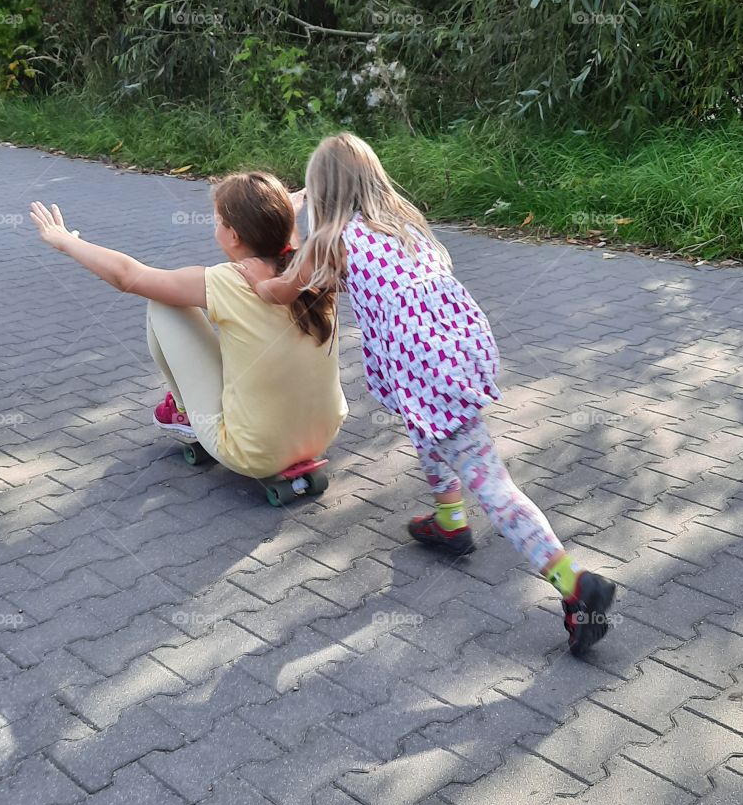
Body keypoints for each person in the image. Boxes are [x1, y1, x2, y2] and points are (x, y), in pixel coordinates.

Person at [234, 133, 615, 655]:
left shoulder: (329, 242)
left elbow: (282, 291)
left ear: (321, 193)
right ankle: (449, 520)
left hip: (423, 364)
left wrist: (255, 277)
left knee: (493, 484)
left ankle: (576, 585)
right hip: (453, 348)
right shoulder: (402, 220)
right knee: (426, 426)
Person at [29, 171, 347, 479]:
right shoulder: (314, 273)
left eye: (218, 221)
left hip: (254, 453)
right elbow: (284, 248)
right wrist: (285, 216)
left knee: (164, 303)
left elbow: (127, 276)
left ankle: (184, 412)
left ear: (234, 235)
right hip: (321, 435)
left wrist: (63, 241)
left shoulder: (228, 281)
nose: (215, 227)